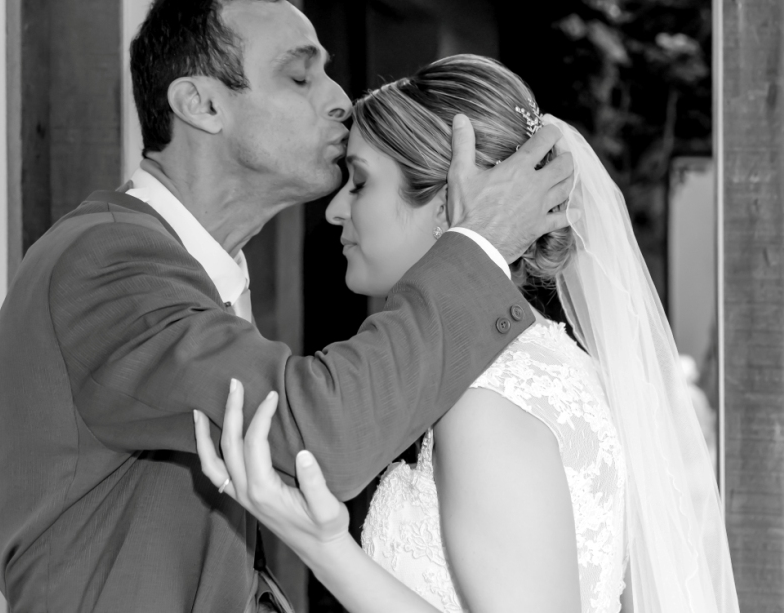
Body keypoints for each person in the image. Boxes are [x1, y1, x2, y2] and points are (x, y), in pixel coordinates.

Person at [0, 0, 574, 613]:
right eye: (299, 77)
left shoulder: (201, 272)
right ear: (200, 105)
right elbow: (325, 433)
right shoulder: (105, 262)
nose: (341, 100)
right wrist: (478, 245)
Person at [194, 55, 741, 613]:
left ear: (443, 207)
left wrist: (324, 547)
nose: (335, 210)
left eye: (360, 182)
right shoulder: (539, 362)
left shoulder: (491, 394)